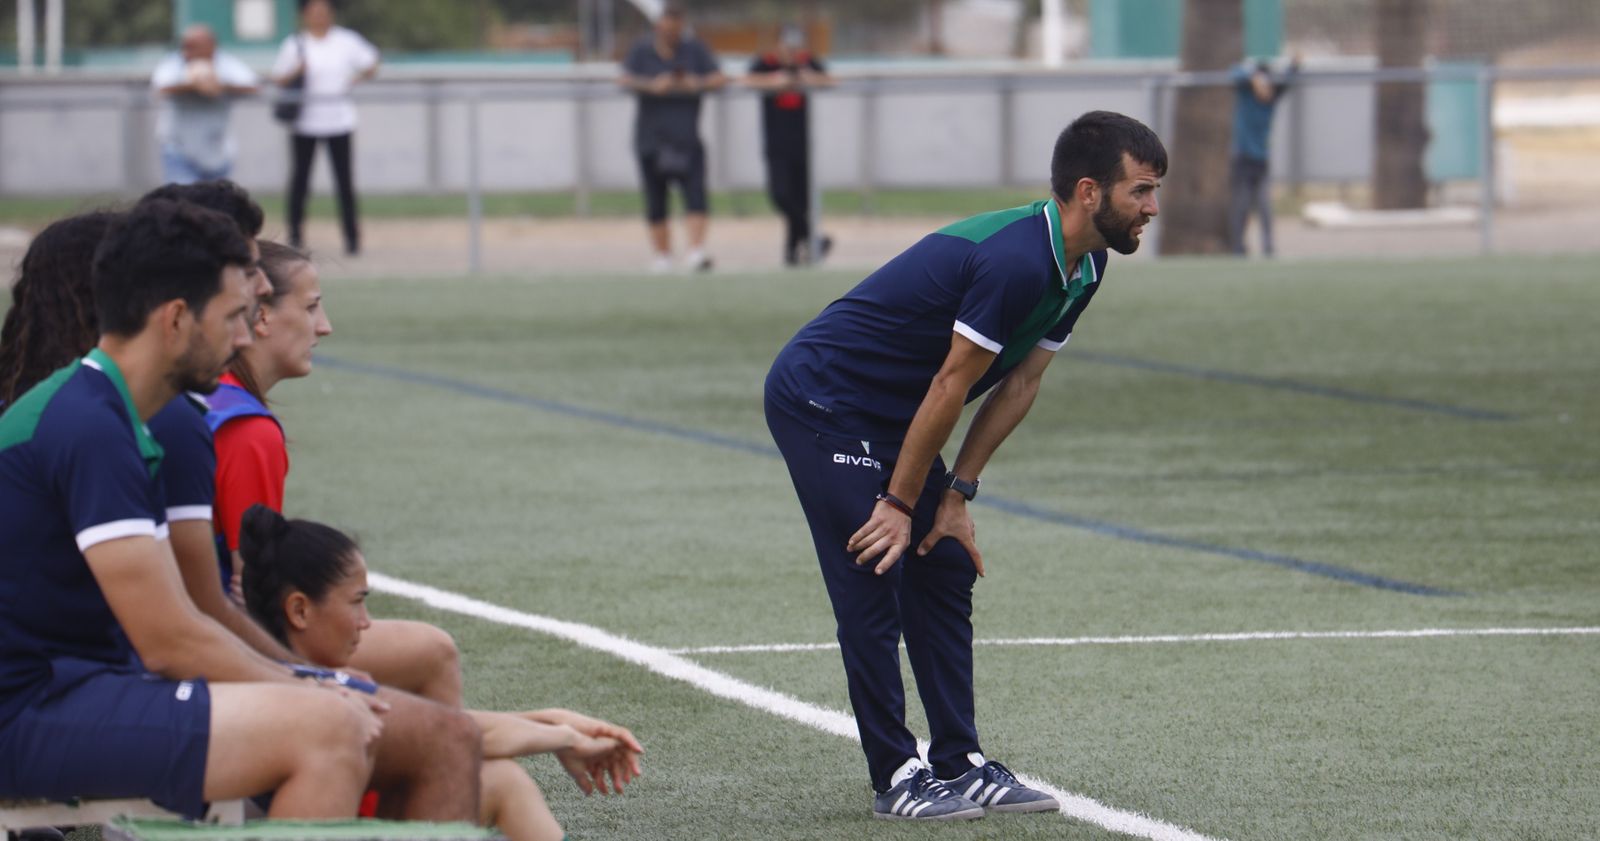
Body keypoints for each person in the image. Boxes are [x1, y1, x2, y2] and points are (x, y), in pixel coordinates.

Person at [0, 204, 485, 821]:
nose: (242, 339)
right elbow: (168, 638)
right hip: (33, 711)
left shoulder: (127, 415)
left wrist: (312, 684)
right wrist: (310, 690)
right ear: (176, 319)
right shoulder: (88, 424)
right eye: (233, 317)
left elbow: (187, 618)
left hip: (93, 690)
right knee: (328, 729)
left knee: (448, 737)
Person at [763, 111, 1166, 821]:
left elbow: (1019, 384)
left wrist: (956, 495)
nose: (1152, 208)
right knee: (875, 559)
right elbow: (953, 382)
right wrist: (895, 499)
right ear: (1088, 192)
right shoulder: (1016, 260)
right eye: (1140, 190)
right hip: (824, 396)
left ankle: (961, 760)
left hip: (896, 411)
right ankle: (895, 773)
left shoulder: (1089, 264)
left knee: (942, 558)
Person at [239, 505, 645, 841]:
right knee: (503, 780)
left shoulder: (280, 674)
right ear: (299, 610)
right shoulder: (325, 691)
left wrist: (555, 722)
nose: (365, 622)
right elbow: (455, 734)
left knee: (500, 777)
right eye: (356, 602)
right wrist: (565, 735)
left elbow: (445, 726)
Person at [205, 240, 464, 706]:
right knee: (433, 651)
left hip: (174, 632)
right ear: (261, 316)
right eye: (310, 308)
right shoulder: (246, 430)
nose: (324, 327)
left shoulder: (202, 397)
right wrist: (308, 678)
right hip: (215, 646)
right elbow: (252, 593)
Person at [619, 1, 726, 274]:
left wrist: (695, 83)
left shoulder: (694, 49)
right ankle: (662, 256)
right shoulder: (642, 49)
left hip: (687, 137)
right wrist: (653, 86)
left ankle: (696, 251)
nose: (672, 31)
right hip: (651, 139)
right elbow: (625, 79)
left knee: (695, 196)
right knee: (656, 200)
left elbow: (719, 77)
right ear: (659, 25)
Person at [273, 0, 380, 256]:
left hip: (339, 120)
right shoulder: (296, 44)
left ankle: (351, 238)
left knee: (344, 182)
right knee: (300, 182)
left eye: (324, 11)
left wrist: (354, 79)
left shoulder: (346, 41)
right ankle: (296, 236)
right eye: (314, 12)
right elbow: (278, 77)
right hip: (305, 123)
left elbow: (372, 63)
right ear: (305, 15)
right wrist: (297, 71)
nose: (319, 16)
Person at [746, 24, 834, 267]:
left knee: (800, 200)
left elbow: (829, 79)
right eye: (788, 46)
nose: (792, 52)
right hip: (776, 142)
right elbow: (749, 80)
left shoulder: (807, 63)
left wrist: (807, 78)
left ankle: (791, 253)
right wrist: (777, 82)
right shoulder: (767, 63)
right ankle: (813, 238)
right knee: (781, 195)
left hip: (802, 143)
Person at [150, 24, 259, 184]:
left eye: (194, 47)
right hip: (179, 149)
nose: (188, 52)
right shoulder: (174, 62)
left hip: (216, 150)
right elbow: (160, 88)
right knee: (183, 204)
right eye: (186, 46)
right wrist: (193, 85)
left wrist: (220, 86)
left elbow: (253, 86)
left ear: (211, 46)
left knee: (216, 205)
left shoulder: (225, 63)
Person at [1228, 52, 1300, 257]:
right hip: (1242, 157)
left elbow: (1287, 79)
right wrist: (1252, 76)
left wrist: (1294, 65)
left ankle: (1268, 248)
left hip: (1262, 159)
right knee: (1241, 206)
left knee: (1265, 206)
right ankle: (1238, 248)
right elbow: (1234, 72)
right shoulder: (1245, 92)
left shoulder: (1272, 97)